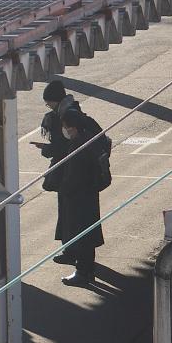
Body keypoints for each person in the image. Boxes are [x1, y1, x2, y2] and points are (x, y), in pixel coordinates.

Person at [45, 105, 105, 287]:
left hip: (79, 199)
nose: (65, 130)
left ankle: (83, 272)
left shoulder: (80, 146)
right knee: (87, 237)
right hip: (88, 197)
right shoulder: (89, 141)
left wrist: (61, 187)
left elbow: (74, 177)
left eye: (66, 127)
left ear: (73, 127)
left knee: (82, 237)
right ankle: (86, 271)